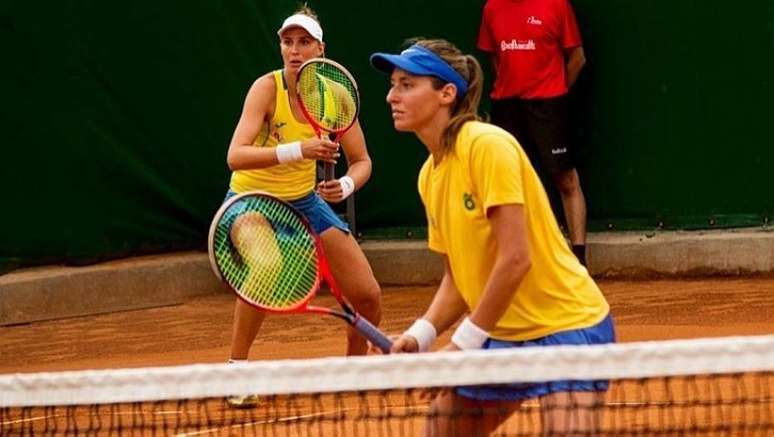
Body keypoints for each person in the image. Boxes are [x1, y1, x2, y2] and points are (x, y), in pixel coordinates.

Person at [369, 38, 614, 436]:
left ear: (446, 93)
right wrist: (422, 333)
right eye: (393, 84)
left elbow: (516, 258)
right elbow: (460, 278)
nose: (391, 96)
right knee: (441, 429)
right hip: (503, 332)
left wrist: (461, 347)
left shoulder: (487, 146)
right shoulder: (429, 176)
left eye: (407, 84)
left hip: (568, 328)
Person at [223, 6, 381, 406]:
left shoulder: (334, 97)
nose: (294, 50)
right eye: (287, 42)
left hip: (304, 202)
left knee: (367, 296)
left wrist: (345, 184)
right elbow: (235, 156)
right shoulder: (265, 89)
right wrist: (299, 149)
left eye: (304, 42)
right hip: (250, 199)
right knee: (265, 266)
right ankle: (236, 371)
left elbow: (362, 161)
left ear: (320, 49)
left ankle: (353, 374)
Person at [477, 0, 589, 266]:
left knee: (566, 180)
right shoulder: (492, 8)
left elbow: (577, 58)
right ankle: (522, 260)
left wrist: (556, 92)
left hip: (550, 104)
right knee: (509, 184)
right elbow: (495, 57)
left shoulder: (557, 5)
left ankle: (579, 261)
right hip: (507, 107)